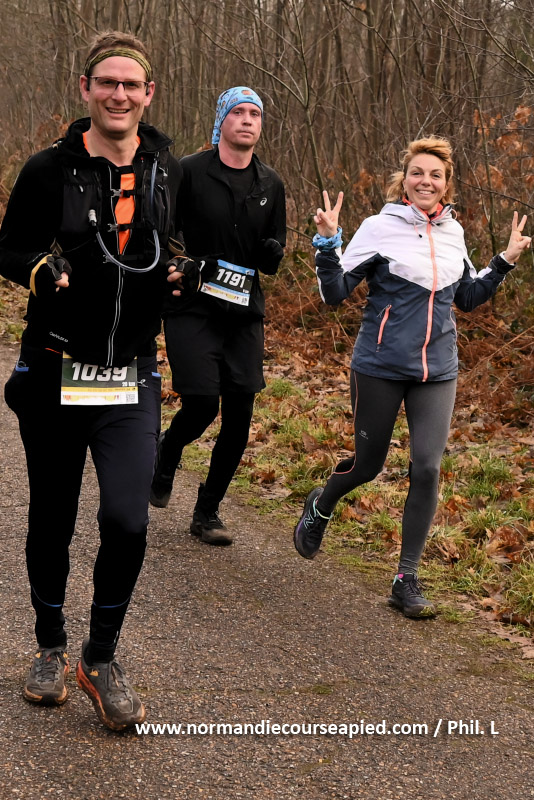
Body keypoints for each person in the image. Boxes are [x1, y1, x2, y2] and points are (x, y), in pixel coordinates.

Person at [1, 31, 182, 730]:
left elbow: (180, 242)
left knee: (127, 519)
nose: (118, 95)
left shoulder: (168, 170)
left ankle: (99, 658)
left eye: (131, 84)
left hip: (129, 375)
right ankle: (50, 645)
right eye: (107, 82)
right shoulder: (48, 169)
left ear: (149, 94)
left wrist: (182, 269)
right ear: (86, 89)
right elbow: (9, 247)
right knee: (52, 517)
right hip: (56, 368)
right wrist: (38, 269)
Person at [294, 136, 531, 618]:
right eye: (418, 173)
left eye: (435, 175)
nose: (426, 181)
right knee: (368, 466)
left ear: (447, 184)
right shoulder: (378, 228)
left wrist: (503, 261)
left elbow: (467, 297)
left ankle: (406, 578)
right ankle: (321, 504)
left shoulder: (454, 232)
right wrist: (328, 242)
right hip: (379, 366)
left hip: (438, 371)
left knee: (426, 468)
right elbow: (334, 293)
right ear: (404, 180)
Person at [150, 86, 286, 546]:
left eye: (255, 114)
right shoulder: (188, 170)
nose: (247, 120)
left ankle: (207, 511)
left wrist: (272, 252)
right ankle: (167, 453)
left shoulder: (271, 183)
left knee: (240, 414)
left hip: (243, 311)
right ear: (222, 121)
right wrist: (182, 264)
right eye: (238, 112)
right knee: (203, 402)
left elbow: (273, 252)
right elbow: (164, 233)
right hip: (192, 305)